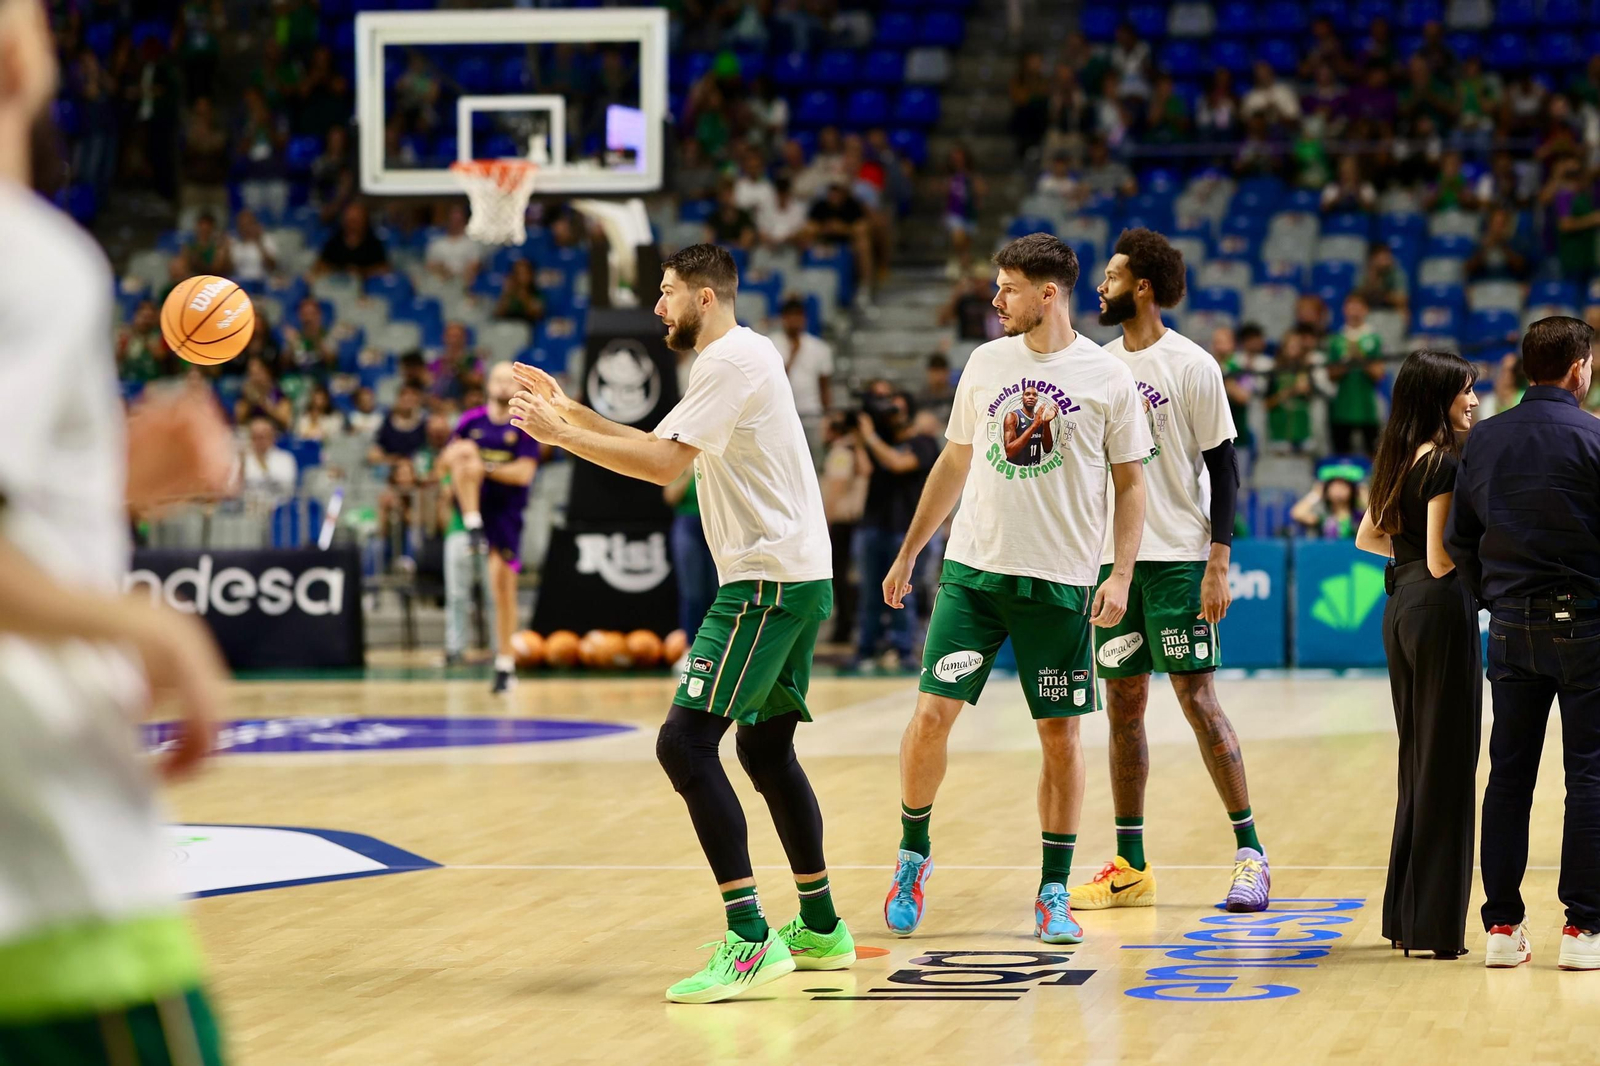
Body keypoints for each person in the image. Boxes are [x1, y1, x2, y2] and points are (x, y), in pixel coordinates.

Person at [508, 245, 854, 999]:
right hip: (797, 575)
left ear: (705, 296)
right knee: (764, 751)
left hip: (767, 579)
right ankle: (822, 927)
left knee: (685, 743)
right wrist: (567, 410)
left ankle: (751, 938)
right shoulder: (738, 357)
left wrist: (560, 436)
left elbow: (663, 467)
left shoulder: (728, 362)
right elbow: (657, 443)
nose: (657, 307)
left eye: (666, 294)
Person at [0, 1, 238, 1051]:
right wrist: (158, 630)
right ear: (16, 53)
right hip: (52, 893)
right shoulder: (33, 262)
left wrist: (97, 480)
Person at [878, 234, 1151, 946]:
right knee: (931, 716)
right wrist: (912, 549)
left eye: (1007, 288)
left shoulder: (1106, 378)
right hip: (973, 575)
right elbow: (956, 460)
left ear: (1048, 295)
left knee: (1060, 736)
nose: (996, 300)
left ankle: (1053, 890)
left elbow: (1131, 486)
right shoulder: (985, 362)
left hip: (1061, 585)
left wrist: (1120, 574)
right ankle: (913, 855)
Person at [1066, 229, 1268, 914]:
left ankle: (1251, 855)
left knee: (1198, 702)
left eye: (1114, 275)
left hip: (1180, 560)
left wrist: (1219, 560)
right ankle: (1132, 862)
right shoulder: (1094, 365)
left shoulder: (1192, 365)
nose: (1102, 285)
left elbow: (1225, 468)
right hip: (1113, 565)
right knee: (1123, 710)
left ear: (1143, 287)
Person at [1448, 315, 1600, 971]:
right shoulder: (1595, 436)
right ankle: (1584, 933)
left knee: (1507, 778)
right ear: (1577, 369)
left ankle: (1503, 930)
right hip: (1590, 627)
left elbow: (1459, 541)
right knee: (1590, 775)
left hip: (1509, 628)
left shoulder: (1482, 442)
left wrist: (1497, 601)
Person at [1355, 349, 1481, 960]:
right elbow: (1441, 557)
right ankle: (1435, 926)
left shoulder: (1398, 458)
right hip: (1437, 608)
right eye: (1465, 392)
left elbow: (1367, 537)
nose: (1475, 402)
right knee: (1447, 764)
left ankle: (1407, 917)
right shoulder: (1446, 464)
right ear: (1438, 398)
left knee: (1418, 760)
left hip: (1399, 606)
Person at [438, 362, 540, 694]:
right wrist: (462, 460)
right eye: (495, 378)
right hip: (475, 501)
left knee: (502, 588)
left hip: (507, 511)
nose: (501, 384)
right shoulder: (470, 421)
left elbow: (524, 473)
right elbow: (444, 464)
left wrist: (485, 466)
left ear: (517, 389)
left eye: (508, 380)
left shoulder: (524, 423)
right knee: (462, 451)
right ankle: (471, 525)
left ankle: (505, 664)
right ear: (487, 385)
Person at [852, 388, 939, 670]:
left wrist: (870, 438)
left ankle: (904, 651)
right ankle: (865, 650)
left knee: (905, 594)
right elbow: (864, 470)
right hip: (873, 525)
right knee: (869, 595)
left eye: (898, 409)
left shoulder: (924, 442)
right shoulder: (879, 440)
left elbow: (898, 463)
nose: (893, 414)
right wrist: (860, 440)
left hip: (905, 530)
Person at [1326, 293, 1387, 455]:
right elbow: (1330, 375)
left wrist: (1360, 357)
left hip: (1367, 408)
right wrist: (1346, 362)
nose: (1354, 311)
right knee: (1341, 453)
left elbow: (1379, 374)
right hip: (1342, 408)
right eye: (1350, 307)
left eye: (1358, 307)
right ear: (1344, 310)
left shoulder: (1374, 339)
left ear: (1365, 310)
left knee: (1372, 455)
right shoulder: (1336, 340)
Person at [769, 297, 832, 453]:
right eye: (790, 316)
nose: (795, 320)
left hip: (812, 414)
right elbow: (772, 381)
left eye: (799, 315)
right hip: (781, 415)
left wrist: (827, 416)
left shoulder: (819, 347)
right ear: (783, 318)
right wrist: (793, 354)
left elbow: (824, 385)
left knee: (815, 460)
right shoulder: (770, 344)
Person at [664, 468, 717, 644]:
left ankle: (718, 646)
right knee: (692, 590)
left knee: (718, 590)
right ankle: (690, 646)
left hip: (718, 525)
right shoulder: (682, 462)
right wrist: (688, 472)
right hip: (688, 524)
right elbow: (670, 497)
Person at [315, 200, 388, 279]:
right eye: (349, 220)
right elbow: (320, 266)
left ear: (364, 221)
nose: (352, 225)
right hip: (337, 285)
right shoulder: (334, 241)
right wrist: (340, 272)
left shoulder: (373, 243)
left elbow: (384, 269)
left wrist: (361, 272)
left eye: (356, 221)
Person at [238, 415, 298, 509]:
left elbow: (287, 488)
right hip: (248, 510)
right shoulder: (242, 459)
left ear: (272, 437)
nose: (259, 441)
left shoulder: (285, 458)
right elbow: (233, 490)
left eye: (263, 436)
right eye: (255, 437)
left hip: (278, 510)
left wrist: (262, 465)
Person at [1290, 466, 1365, 539]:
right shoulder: (1323, 517)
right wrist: (1315, 494)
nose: (1339, 491)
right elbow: (1297, 514)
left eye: (1343, 487)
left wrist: (1362, 492)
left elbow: (1375, 515)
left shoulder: (1359, 517)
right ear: (1326, 491)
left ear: (1352, 491)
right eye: (1334, 487)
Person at [425, 204, 483, 284]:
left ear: (464, 221)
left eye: (458, 221)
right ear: (447, 220)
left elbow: (475, 266)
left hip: (464, 283)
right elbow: (430, 266)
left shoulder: (472, 244)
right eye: (452, 220)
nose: (455, 224)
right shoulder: (436, 243)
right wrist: (443, 271)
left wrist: (460, 278)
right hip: (441, 281)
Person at [229, 207, 277, 285]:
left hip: (262, 283)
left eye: (248, 224)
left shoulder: (266, 240)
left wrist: (259, 243)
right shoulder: (234, 243)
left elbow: (272, 266)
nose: (245, 228)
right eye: (242, 225)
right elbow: (229, 270)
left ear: (254, 224)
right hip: (241, 283)